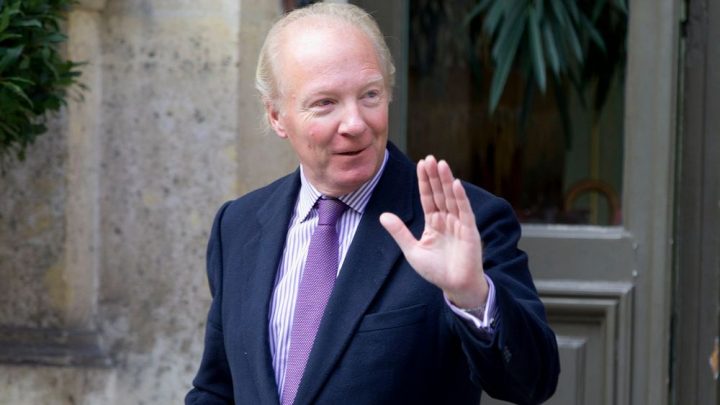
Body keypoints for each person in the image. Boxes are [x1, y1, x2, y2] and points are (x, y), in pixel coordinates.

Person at [186, 3, 559, 405]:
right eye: (325, 103)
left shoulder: (466, 219)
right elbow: (217, 389)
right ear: (276, 115)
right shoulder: (238, 225)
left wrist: (473, 296)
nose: (355, 123)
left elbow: (533, 381)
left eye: (370, 95)